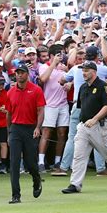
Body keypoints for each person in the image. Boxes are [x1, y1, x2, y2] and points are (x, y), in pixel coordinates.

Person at [62, 61, 107, 194]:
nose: (84, 73)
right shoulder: (82, 87)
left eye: (86, 70)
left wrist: (94, 119)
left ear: (94, 71)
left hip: (99, 126)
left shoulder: (103, 86)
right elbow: (82, 107)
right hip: (83, 126)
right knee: (79, 155)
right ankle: (75, 184)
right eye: (83, 70)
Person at [6, 63, 45, 204]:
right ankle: (15, 195)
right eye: (17, 73)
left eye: (22, 72)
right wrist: (8, 133)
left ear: (27, 74)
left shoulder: (36, 90)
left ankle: (36, 179)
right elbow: (8, 114)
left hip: (30, 128)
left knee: (30, 163)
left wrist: (38, 127)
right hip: (16, 128)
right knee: (14, 162)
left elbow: (41, 110)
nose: (19, 75)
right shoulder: (10, 92)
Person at [37, 45, 69, 173]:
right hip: (49, 105)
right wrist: (53, 64)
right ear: (51, 56)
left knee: (62, 133)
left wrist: (69, 84)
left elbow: (70, 81)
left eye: (61, 54)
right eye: (57, 55)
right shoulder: (43, 67)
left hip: (63, 104)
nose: (60, 57)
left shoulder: (64, 69)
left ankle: (57, 162)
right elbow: (42, 79)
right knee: (46, 132)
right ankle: (40, 162)